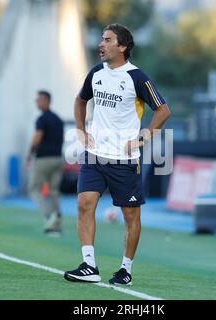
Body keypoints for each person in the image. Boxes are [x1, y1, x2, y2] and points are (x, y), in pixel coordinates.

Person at [63, 23, 171, 285]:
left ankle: (125, 269)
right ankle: (89, 265)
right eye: (101, 39)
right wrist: (80, 129)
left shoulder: (137, 77)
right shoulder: (96, 73)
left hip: (124, 160)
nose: (101, 44)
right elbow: (80, 100)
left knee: (130, 215)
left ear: (122, 47)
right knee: (84, 204)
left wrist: (143, 138)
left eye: (108, 40)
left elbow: (163, 111)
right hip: (94, 155)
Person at [26, 91, 64, 235]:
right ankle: (57, 223)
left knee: (33, 189)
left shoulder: (41, 119)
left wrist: (29, 155)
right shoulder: (58, 119)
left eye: (39, 100)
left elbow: (37, 138)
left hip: (43, 159)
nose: (37, 102)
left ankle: (49, 216)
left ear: (46, 101)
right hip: (57, 159)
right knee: (54, 191)